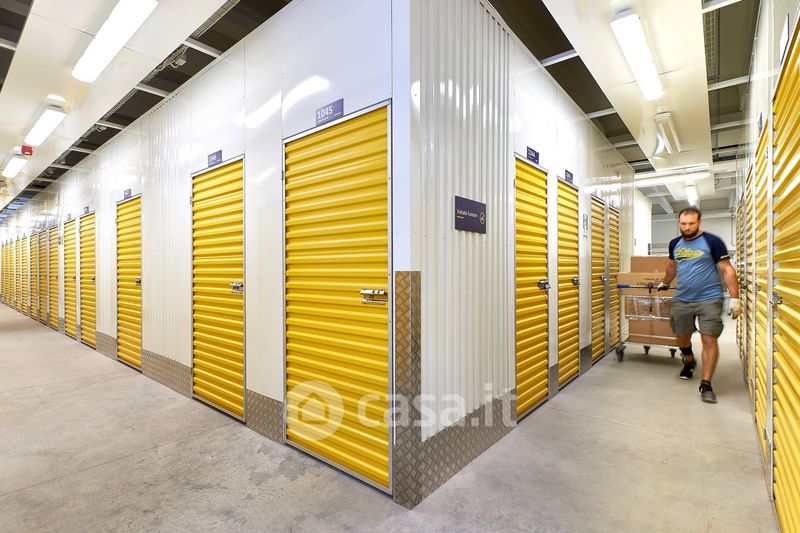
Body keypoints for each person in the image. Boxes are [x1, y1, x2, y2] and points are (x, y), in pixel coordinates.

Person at [657, 206, 741, 403]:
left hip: (709, 299)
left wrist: (735, 297)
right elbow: (672, 266)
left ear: (699, 222)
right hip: (682, 298)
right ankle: (689, 359)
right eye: (683, 224)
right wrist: (665, 282)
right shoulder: (675, 243)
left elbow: (727, 270)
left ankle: (706, 384)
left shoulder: (712, 242)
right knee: (681, 337)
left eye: (691, 223)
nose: (687, 227)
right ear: (679, 223)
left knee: (709, 339)